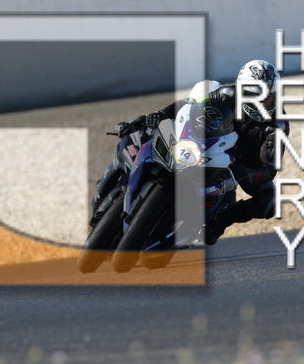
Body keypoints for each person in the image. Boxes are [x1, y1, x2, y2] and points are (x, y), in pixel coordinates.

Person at [112, 60, 290, 245]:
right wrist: (162, 113)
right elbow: (189, 105)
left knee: (270, 201)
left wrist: (250, 175)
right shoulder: (227, 94)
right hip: (213, 148)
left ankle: (219, 221)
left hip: (243, 166)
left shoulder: (278, 125)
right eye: (257, 96)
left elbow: (270, 168)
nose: (264, 103)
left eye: (270, 97)